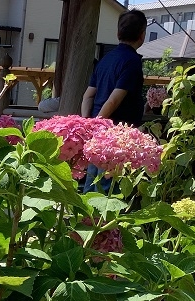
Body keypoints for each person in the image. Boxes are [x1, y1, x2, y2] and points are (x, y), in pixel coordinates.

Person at [81, 9, 147, 192]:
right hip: (116, 134)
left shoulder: (105, 59)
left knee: (92, 182)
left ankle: (85, 220)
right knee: (107, 187)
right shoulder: (132, 61)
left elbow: (88, 95)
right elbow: (114, 100)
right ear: (142, 35)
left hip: (97, 130)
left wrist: (88, 124)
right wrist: (99, 123)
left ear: (118, 33)